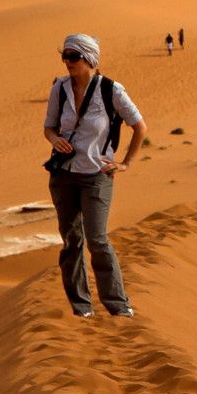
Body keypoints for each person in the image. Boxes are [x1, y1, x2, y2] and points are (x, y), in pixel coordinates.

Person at [41, 33, 145, 319]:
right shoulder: (59, 89)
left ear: (89, 59)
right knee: (71, 240)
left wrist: (125, 163)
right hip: (63, 175)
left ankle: (118, 304)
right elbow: (49, 127)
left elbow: (140, 127)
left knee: (97, 238)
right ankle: (81, 307)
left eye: (73, 57)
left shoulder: (111, 90)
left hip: (97, 175)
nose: (67, 62)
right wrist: (54, 140)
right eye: (65, 55)